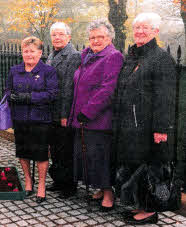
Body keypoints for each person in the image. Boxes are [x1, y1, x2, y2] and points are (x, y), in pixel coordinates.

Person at [113, 13, 183, 224]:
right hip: (130, 126)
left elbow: (166, 98)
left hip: (150, 127)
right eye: (137, 28)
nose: (140, 32)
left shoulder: (161, 59)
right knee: (135, 167)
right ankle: (140, 205)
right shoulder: (133, 57)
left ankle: (150, 211)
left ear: (155, 32)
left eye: (145, 28)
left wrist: (161, 128)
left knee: (149, 168)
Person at [68, 19, 123, 211]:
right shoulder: (87, 55)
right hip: (82, 118)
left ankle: (109, 194)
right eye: (92, 37)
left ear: (109, 38)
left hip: (99, 119)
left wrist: (88, 112)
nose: (96, 40)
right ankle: (101, 188)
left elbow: (108, 90)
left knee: (101, 157)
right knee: (89, 156)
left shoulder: (113, 57)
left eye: (101, 37)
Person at [5, 36, 58, 203]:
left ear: (40, 53)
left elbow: (52, 94)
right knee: (23, 151)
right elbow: (7, 90)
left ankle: (41, 185)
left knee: (41, 153)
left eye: (32, 51)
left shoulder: (48, 72)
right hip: (20, 118)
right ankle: (28, 180)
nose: (28, 54)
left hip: (40, 119)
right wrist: (11, 96)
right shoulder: (14, 70)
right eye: (25, 51)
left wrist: (28, 97)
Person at [46, 22, 81, 199]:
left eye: (61, 34)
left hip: (63, 111)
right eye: (54, 35)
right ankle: (59, 180)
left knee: (66, 150)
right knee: (55, 149)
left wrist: (64, 115)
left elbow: (68, 88)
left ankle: (69, 185)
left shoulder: (73, 56)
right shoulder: (52, 55)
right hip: (51, 111)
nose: (57, 38)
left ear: (69, 36)